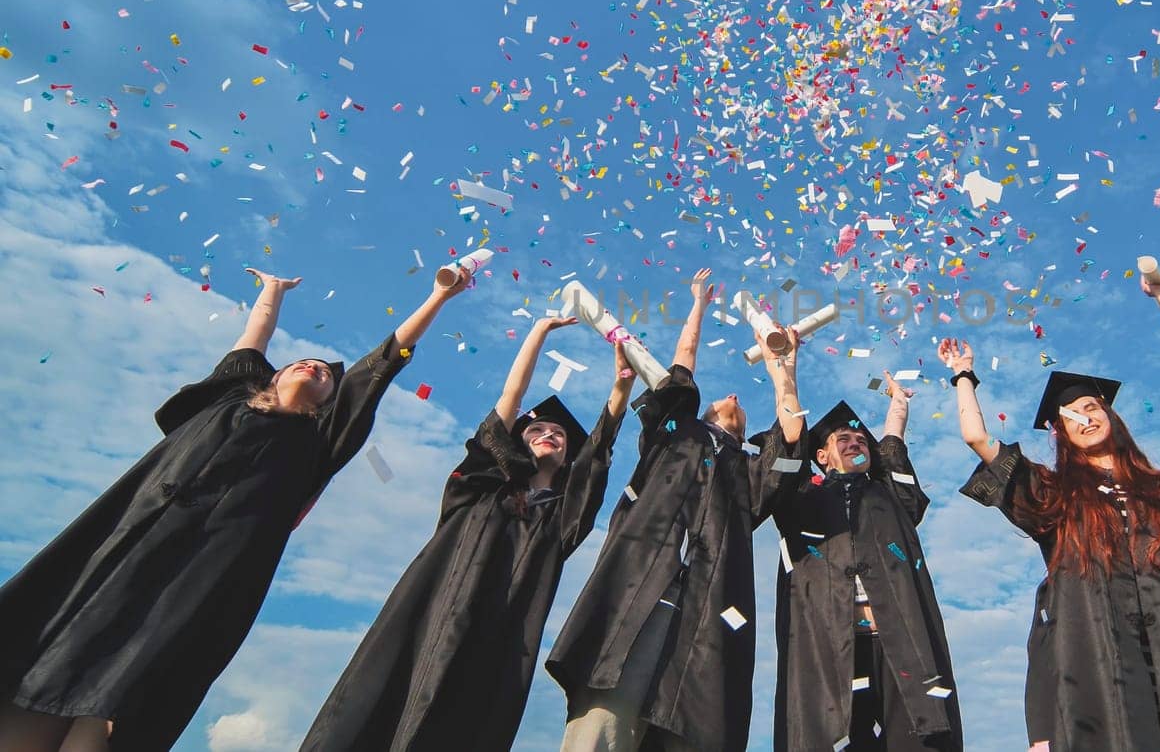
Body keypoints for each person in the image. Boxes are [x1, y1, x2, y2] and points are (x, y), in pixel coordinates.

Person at [0, 266, 466, 751]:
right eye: (304, 363)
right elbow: (253, 339)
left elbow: (385, 362)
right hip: (126, 542)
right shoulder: (228, 397)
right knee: (48, 663)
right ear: (277, 372)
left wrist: (438, 297)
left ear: (331, 400)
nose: (317, 368)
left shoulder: (320, 440)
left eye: (326, 375)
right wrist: (272, 291)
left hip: (200, 576)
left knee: (123, 692)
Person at [301, 316, 637, 750]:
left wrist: (620, 387)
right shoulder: (477, 489)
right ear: (516, 443)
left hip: (497, 645)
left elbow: (600, 450)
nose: (550, 433)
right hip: (427, 615)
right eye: (537, 429)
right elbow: (510, 401)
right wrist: (538, 331)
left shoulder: (563, 521)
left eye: (558, 433)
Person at [546, 269, 805, 752]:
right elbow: (679, 368)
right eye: (723, 398)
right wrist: (698, 305)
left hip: (705, 620)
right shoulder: (676, 434)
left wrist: (784, 372)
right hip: (636, 604)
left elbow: (790, 441)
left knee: (688, 725)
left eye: (740, 403)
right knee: (602, 731)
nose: (733, 398)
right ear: (701, 412)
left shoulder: (748, 469)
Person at [940, 338, 1160, 751]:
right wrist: (963, 374)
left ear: (1110, 415)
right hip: (1095, 645)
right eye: (1072, 416)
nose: (1085, 418)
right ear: (1061, 434)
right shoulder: (1052, 494)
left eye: (1092, 408)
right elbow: (976, 437)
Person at [766, 372, 961, 752]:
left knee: (918, 733)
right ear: (821, 456)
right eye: (844, 439)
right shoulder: (800, 498)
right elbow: (784, 453)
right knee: (830, 735)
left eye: (860, 440)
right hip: (827, 644)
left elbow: (892, 447)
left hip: (896, 642)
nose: (856, 442)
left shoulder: (887, 495)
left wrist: (898, 405)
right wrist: (785, 374)